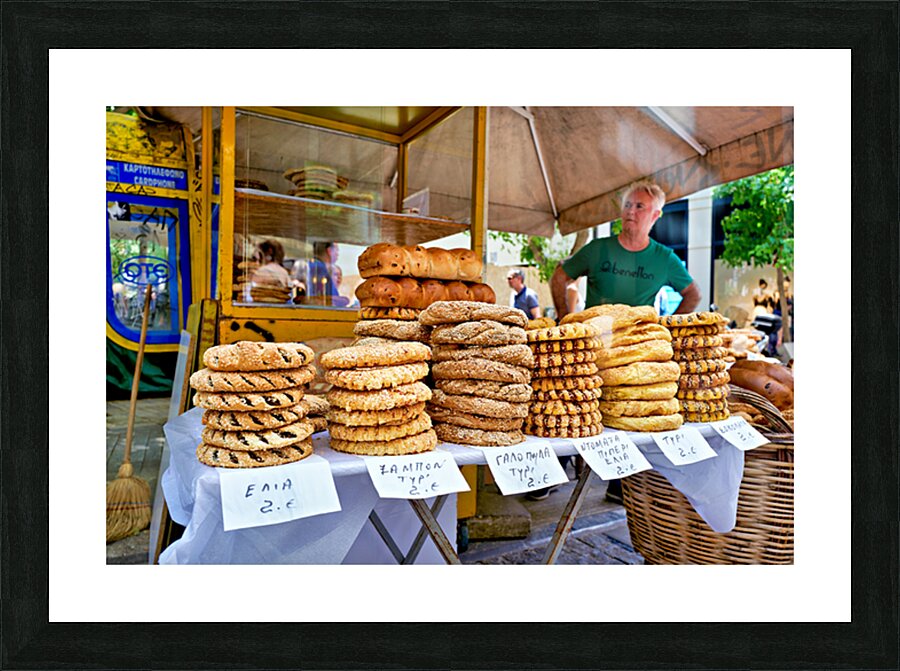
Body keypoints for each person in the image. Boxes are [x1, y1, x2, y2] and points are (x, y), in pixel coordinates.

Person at [548, 180, 701, 503]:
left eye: (639, 206)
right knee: (572, 400)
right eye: (628, 204)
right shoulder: (599, 249)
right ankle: (552, 471)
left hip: (637, 351)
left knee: (631, 405)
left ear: (656, 215)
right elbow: (560, 276)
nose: (631, 211)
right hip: (593, 346)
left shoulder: (665, 258)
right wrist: (564, 317)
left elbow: (693, 294)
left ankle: (621, 480)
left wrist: (667, 328)